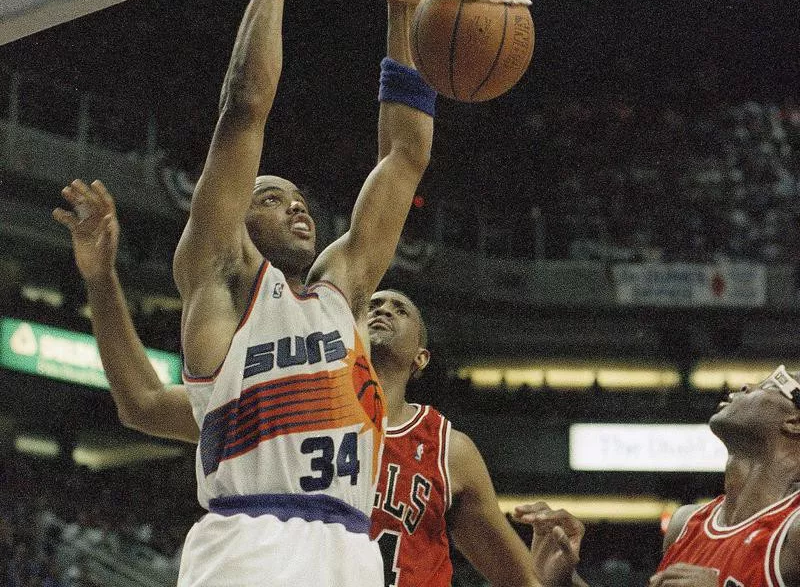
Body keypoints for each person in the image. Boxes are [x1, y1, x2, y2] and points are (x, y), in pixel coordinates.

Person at [56, 0, 435, 587]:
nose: (295, 208)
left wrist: (403, 11)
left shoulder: (342, 291)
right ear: (239, 217)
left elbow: (405, 155)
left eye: (301, 201)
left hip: (348, 546)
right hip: (251, 542)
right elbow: (244, 110)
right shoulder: (224, 279)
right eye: (270, 197)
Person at [56, 179, 580, 587]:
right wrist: (101, 280)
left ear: (422, 357)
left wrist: (552, 572)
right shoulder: (278, 397)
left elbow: (523, 581)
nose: (380, 308)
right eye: (373, 301)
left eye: (399, 307)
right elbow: (143, 403)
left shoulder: (448, 449)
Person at [518, 366, 800, 587]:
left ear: (795, 422)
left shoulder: (794, 529)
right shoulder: (686, 523)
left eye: (769, 385)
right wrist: (565, 582)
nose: (745, 386)